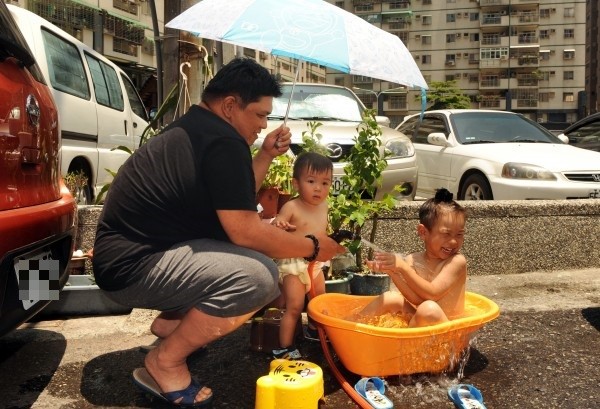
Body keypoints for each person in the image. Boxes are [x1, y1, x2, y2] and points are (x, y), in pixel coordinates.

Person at [92, 58, 344, 407]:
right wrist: (312, 246)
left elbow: (234, 201)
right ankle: (164, 362)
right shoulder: (223, 142)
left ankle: (171, 327)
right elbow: (244, 231)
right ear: (229, 106)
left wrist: (266, 154)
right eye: (259, 115)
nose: (263, 124)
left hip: (133, 256)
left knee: (246, 259)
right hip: (133, 267)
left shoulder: (201, 130)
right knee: (258, 277)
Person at [358, 188, 467, 328]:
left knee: (429, 309)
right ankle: (348, 325)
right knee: (391, 298)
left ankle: (402, 345)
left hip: (448, 332)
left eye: (459, 234)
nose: (453, 242)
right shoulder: (413, 260)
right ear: (423, 232)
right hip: (422, 325)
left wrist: (403, 268)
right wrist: (393, 271)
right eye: (446, 234)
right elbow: (416, 299)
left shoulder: (457, 261)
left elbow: (432, 294)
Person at [269, 152, 333, 360]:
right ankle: (284, 346)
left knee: (319, 300)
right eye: (311, 181)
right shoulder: (292, 206)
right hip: (292, 264)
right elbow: (277, 224)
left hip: (314, 263)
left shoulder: (323, 206)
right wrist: (280, 224)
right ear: (296, 184)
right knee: (294, 306)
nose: (318, 188)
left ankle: (314, 329)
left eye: (325, 183)